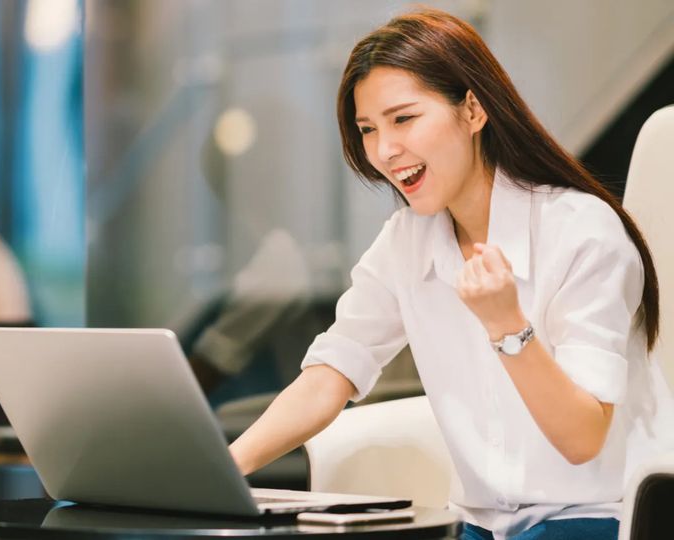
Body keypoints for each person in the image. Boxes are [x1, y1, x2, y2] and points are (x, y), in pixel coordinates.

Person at [227, 8, 674, 540]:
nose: (385, 151)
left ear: (473, 110)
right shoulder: (406, 240)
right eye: (368, 129)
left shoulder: (582, 232)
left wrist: (508, 326)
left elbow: (582, 439)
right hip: (481, 524)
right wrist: (223, 471)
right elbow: (331, 373)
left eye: (404, 118)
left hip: (603, 518)